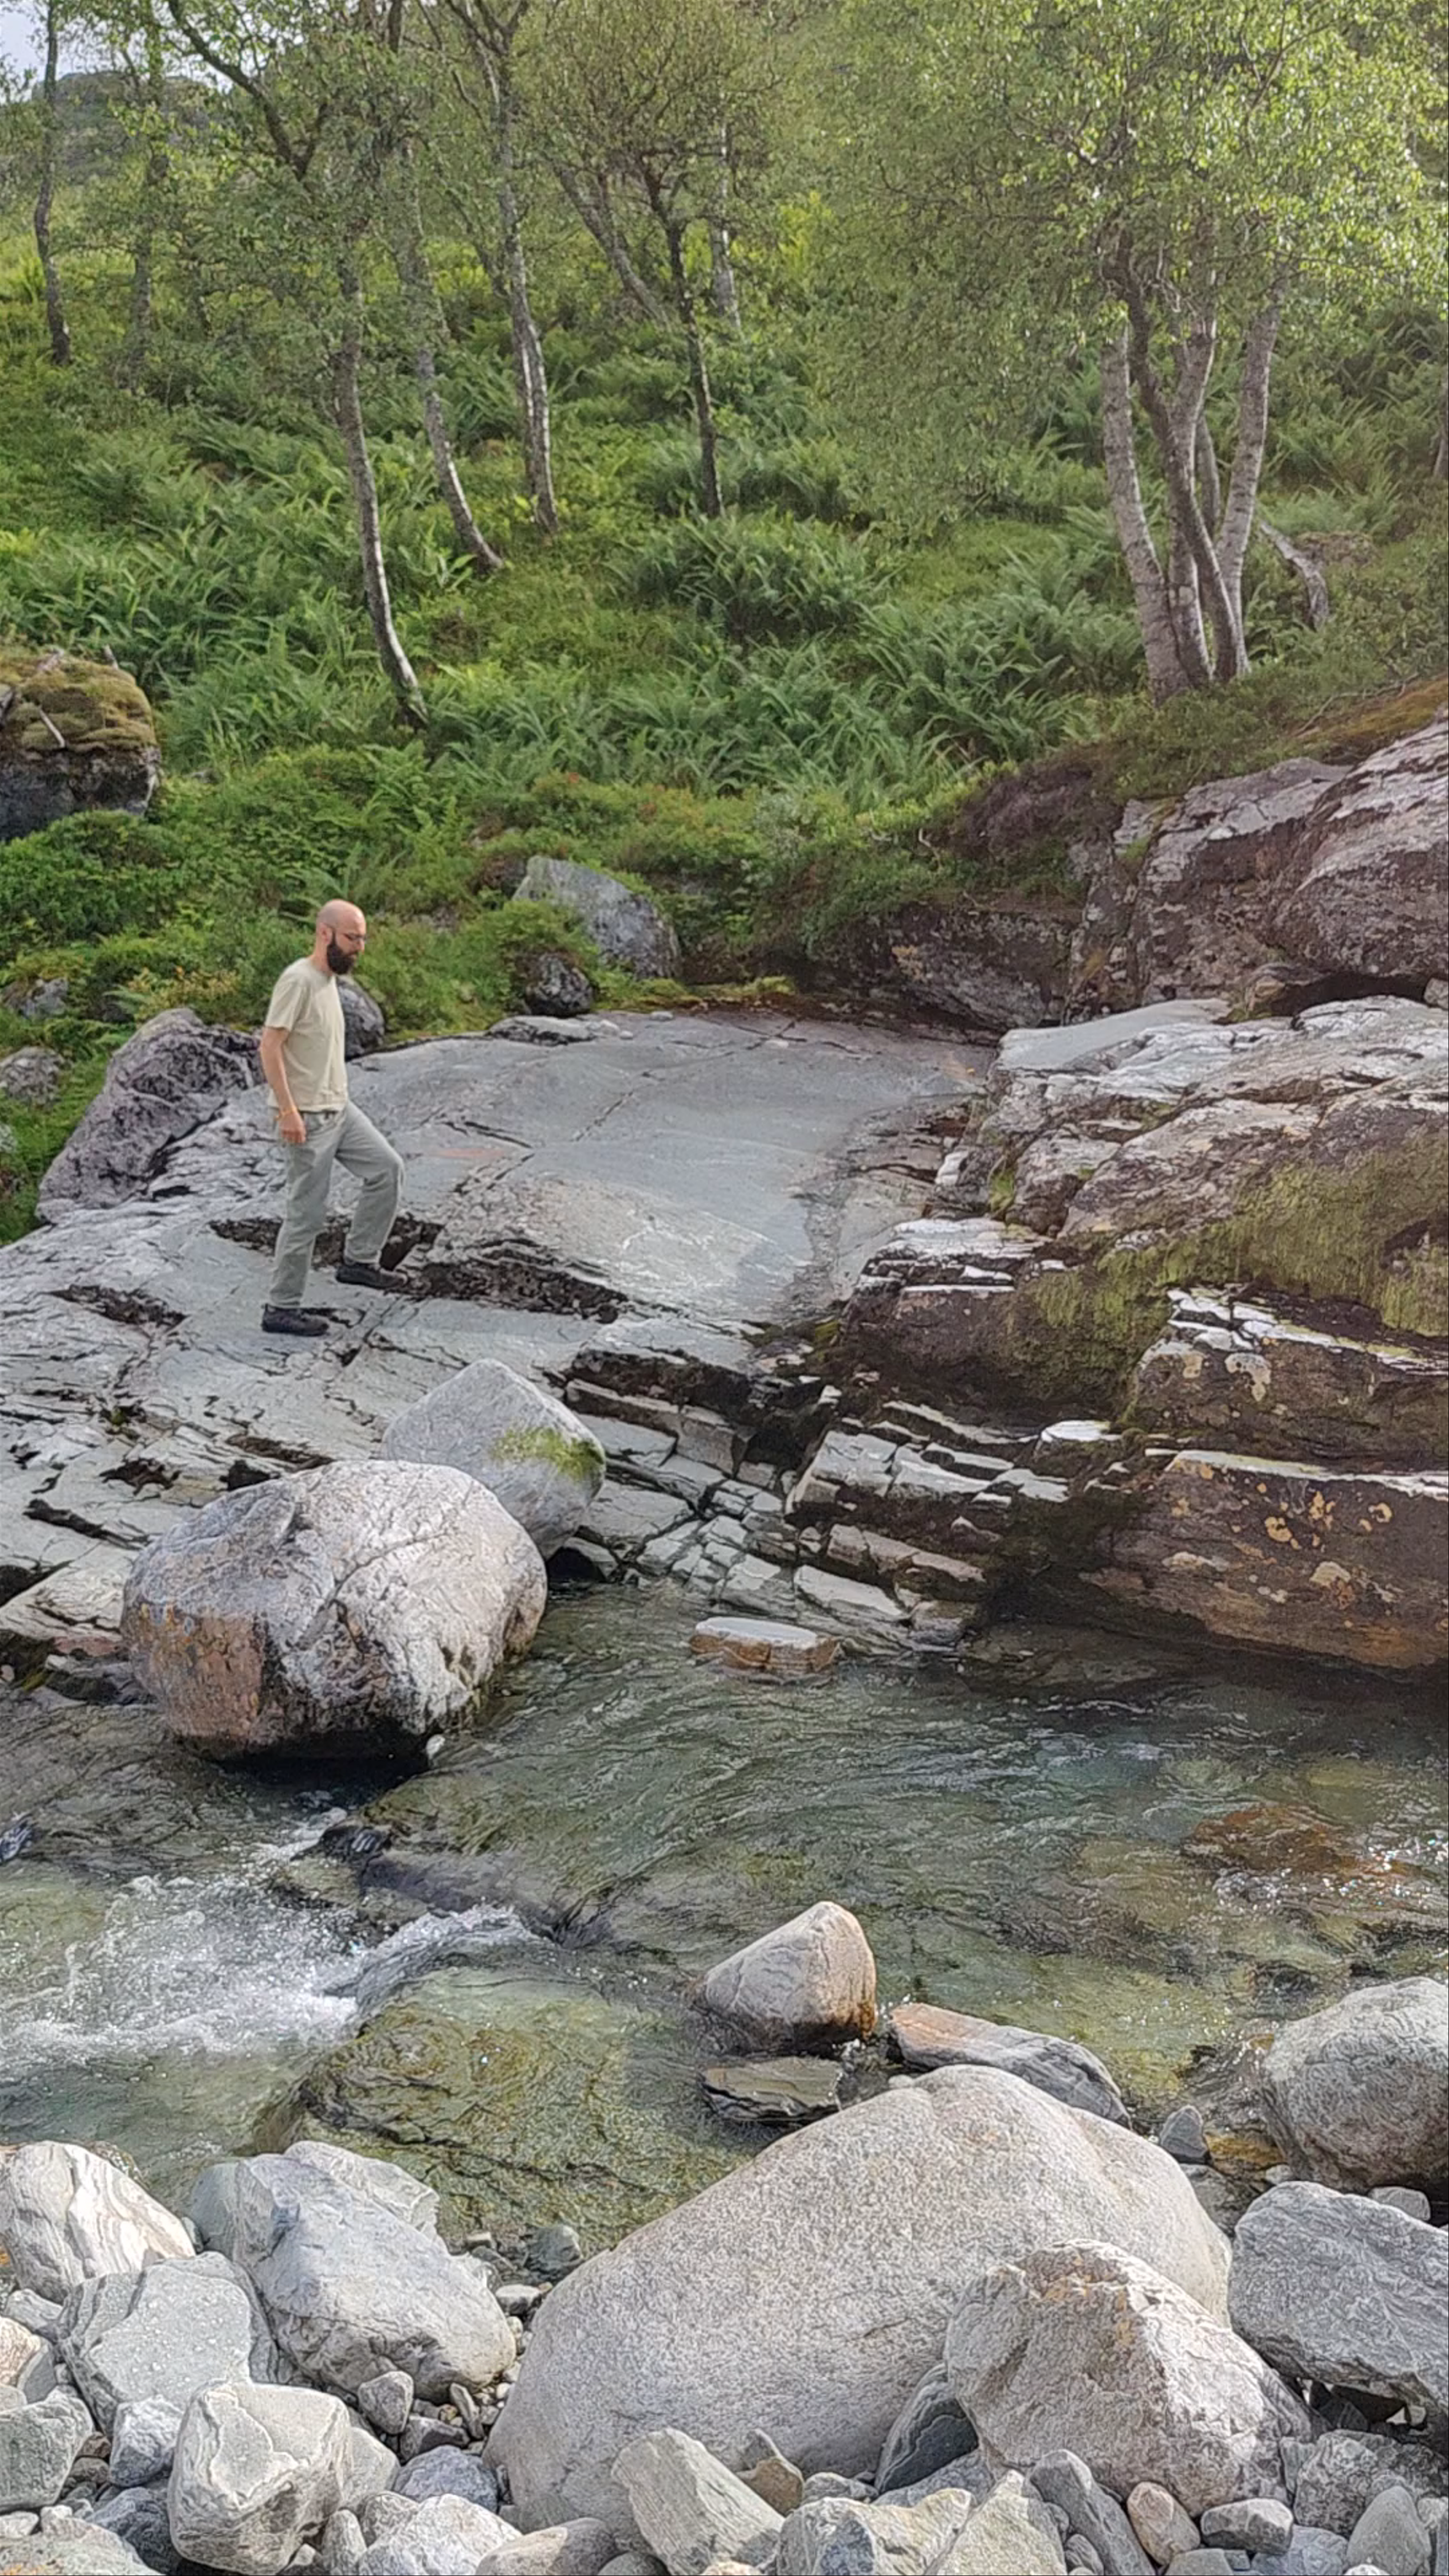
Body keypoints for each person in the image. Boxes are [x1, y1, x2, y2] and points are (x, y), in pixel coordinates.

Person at [257, 899, 404, 1338]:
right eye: (352, 938)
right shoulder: (298, 980)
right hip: (308, 1117)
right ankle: (281, 1307)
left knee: (387, 1169)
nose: (360, 947)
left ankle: (359, 1262)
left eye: (363, 938)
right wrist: (288, 1111)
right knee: (307, 1214)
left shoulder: (330, 981)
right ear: (326, 933)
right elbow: (270, 1046)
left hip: (340, 1108)